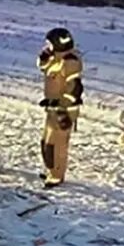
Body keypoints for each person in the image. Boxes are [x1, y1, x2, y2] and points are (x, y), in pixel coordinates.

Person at [38, 27, 83, 189]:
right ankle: (51, 170)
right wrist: (44, 58)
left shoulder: (70, 62)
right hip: (53, 108)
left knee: (56, 145)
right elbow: (45, 69)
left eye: (50, 44)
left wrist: (62, 107)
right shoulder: (56, 59)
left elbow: (74, 88)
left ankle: (57, 176)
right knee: (46, 142)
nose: (47, 46)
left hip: (64, 110)